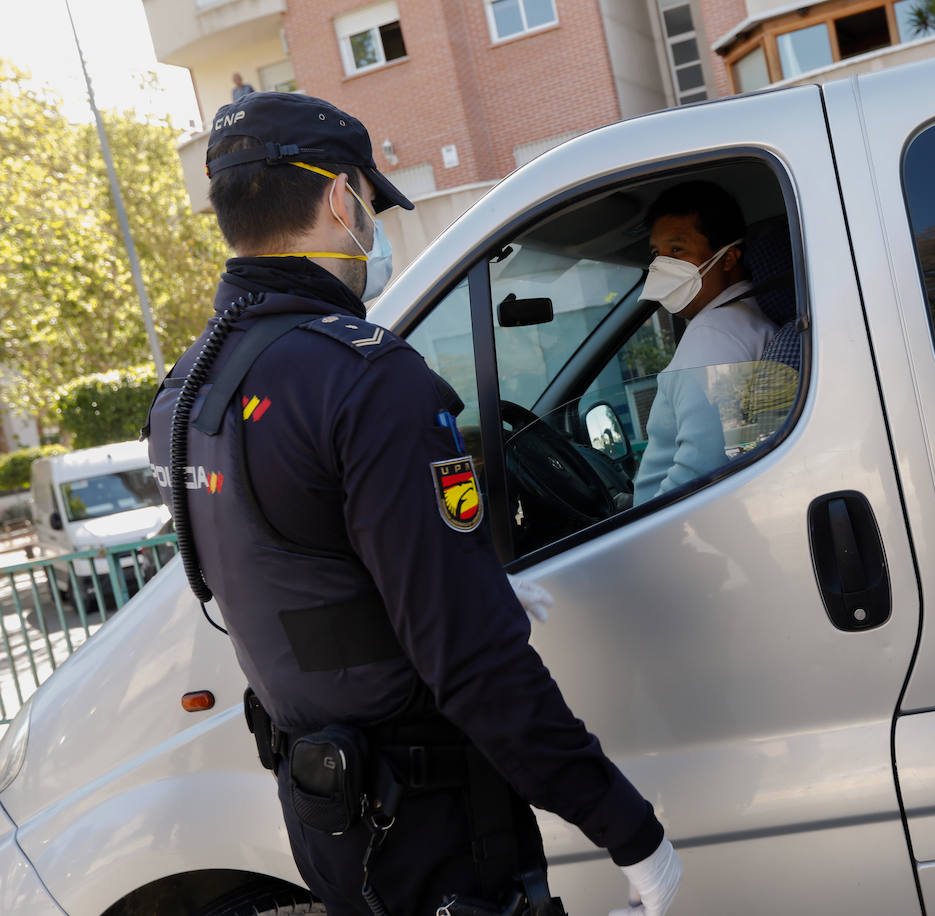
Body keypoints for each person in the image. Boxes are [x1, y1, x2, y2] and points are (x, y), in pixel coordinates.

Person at [144, 91, 681, 916]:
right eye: (368, 199)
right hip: (433, 825)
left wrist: (463, 583)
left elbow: (301, 571)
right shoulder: (363, 378)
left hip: (330, 818)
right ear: (338, 198)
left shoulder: (187, 390)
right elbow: (472, 663)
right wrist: (629, 831)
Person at [632, 182, 775, 504]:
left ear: (728, 259)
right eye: (657, 253)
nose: (660, 265)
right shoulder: (746, 322)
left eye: (677, 250)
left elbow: (701, 470)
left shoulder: (714, 335)